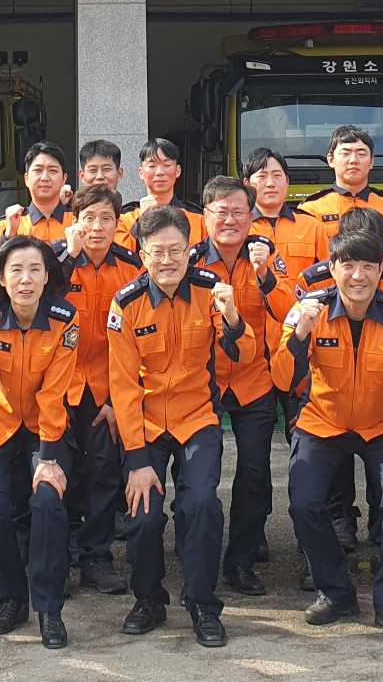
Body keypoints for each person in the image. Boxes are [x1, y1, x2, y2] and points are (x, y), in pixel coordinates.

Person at [277, 226, 383, 640]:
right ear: (332, 268)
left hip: (382, 425)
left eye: (367, 266)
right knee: (304, 501)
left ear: (381, 270)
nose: (358, 276)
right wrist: (300, 334)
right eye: (348, 266)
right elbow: (283, 379)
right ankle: (335, 592)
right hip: (323, 421)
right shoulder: (309, 311)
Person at [106, 204, 246, 647]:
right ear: (142, 255)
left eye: (176, 251)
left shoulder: (209, 291)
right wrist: (136, 460)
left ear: (190, 251)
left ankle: (202, 603)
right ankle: (149, 599)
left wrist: (233, 315)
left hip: (197, 416)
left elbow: (239, 350)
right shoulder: (126, 304)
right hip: (145, 424)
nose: (167, 260)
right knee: (143, 514)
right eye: (157, 252)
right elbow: (123, 386)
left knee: (201, 505)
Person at [0, 234, 78, 648]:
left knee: (47, 503)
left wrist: (49, 459)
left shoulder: (64, 319)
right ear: (3, 279)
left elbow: (54, 393)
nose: (25, 279)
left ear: (47, 278)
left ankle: (49, 609)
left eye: (34, 270)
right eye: (16, 271)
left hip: (45, 428)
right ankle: (11, 601)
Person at [193, 175, 292, 595]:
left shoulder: (266, 254)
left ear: (251, 217)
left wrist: (265, 274)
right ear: (206, 216)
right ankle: (196, 552)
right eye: (221, 212)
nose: (230, 220)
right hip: (203, 382)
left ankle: (242, 561)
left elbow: (289, 310)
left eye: (239, 212)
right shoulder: (190, 260)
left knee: (254, 472)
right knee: (201, 472)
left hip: (254, 379)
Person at [56, 184, 138, 593]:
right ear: (75, 222)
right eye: (88, 218)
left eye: (107, 218)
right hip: (59, 387)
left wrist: (116, 401)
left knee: (105, 474)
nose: (97, 227)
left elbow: (137, 338)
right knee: (61, 472)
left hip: (107, 390)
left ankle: (97, 558)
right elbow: (41, 301)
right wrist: (69, 257)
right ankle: (61, 555)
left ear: (118, 224)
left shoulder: (130, 268)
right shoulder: (56, 261)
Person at [0, 141, 76, 260]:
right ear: (26, 179)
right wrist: (9, 237)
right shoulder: (8, 224)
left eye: (52, 171)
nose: (44, 178)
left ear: (64, 179)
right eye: (38, 170)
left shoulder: (77, 221)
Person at [244, 145, 323, 284]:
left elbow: (329, 275)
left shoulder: (312, 226)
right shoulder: (238, 227)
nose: (270, 183)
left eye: (277, 176)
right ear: (247, 184)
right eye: (262, 176)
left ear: (287, 181)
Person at [300, 125, 383, 234]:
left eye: (361, 154)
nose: (353, 160)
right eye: (345, 153)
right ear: (331, 160)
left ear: (371, 162)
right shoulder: (311, 209)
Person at [115, 138, 207, 248]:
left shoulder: (198, 218)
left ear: (178, 170)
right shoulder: (123, 218)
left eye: (167, 165)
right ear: (141, 172)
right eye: (152, 166)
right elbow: (121, 254)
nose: (159, 172)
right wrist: (140, 223)